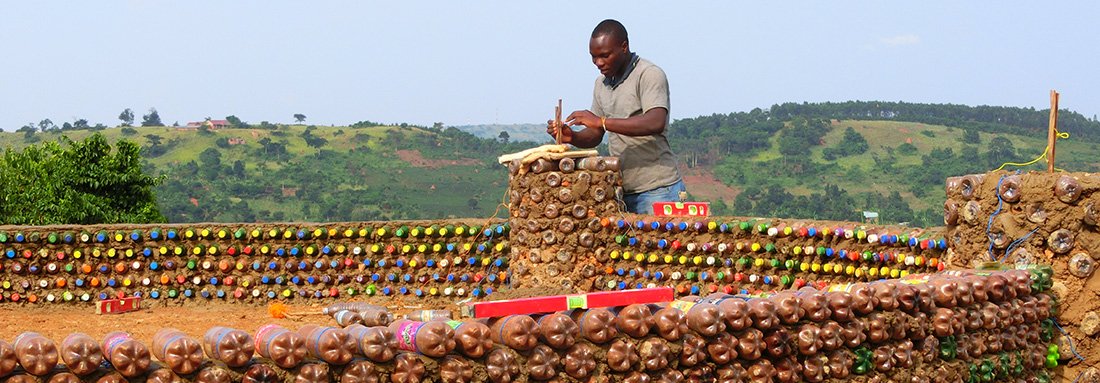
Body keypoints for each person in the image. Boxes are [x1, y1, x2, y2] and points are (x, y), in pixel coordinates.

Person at [547, 19, 685, 215]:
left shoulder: (649, 74)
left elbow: (656, 121)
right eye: (593, 57)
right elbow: (596, 133)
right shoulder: (601, 83)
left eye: (605, 55)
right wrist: (573, 137)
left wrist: (602, 121)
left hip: (657, 189)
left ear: (624, 47)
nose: (598, 63)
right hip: (620, 190)